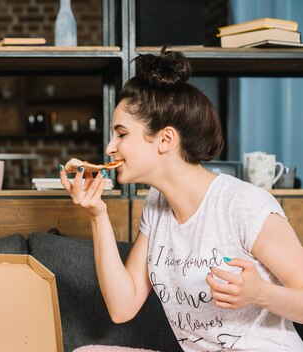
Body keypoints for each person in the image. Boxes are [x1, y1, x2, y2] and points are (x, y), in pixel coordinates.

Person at [60, 47, 303, 351]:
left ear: (165, 140)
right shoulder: (157, 205)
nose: (110, 147)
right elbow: (122, 307)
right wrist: (98, 215)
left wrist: (259, 293)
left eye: (121, 134)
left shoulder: (243, 204)